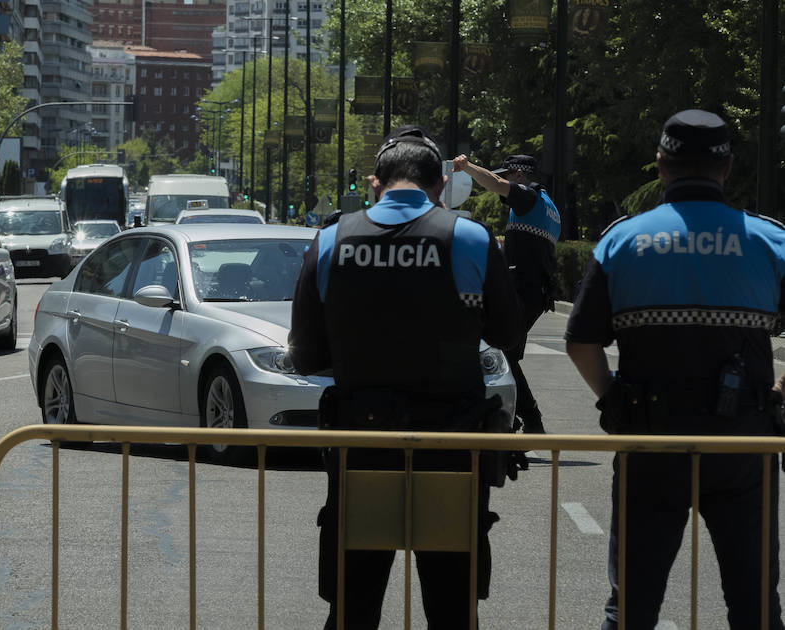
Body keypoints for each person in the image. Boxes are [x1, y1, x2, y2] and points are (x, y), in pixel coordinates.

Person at [289, 125, 524, 629]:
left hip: (362, 444)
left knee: (353, 607)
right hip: (451, 447)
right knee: (451, 608)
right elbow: (508, 334)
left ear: (376, 184)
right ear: (440, 182)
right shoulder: (469, 237)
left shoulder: (332, 239)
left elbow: (306, 357)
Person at [564, 109, 785, 629]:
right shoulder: (770, 240)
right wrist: (779, 390)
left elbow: (579, 341)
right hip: (744, 445)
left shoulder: (623, 239)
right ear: (726, 168)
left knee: (631, 608)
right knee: (755, 607)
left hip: (650, 439)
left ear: (660, 166)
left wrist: (612, 397)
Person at [452, 153, 561, 433]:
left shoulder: (529, 198)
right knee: (506, 352)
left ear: (520, 175)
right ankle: (520, 418)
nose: (507, 182)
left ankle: (528, 418)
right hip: (535, 291)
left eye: (510, 175)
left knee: (502, 350)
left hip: (525, 290)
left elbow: (497, 184)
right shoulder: (549, 206)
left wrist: (467, 167)